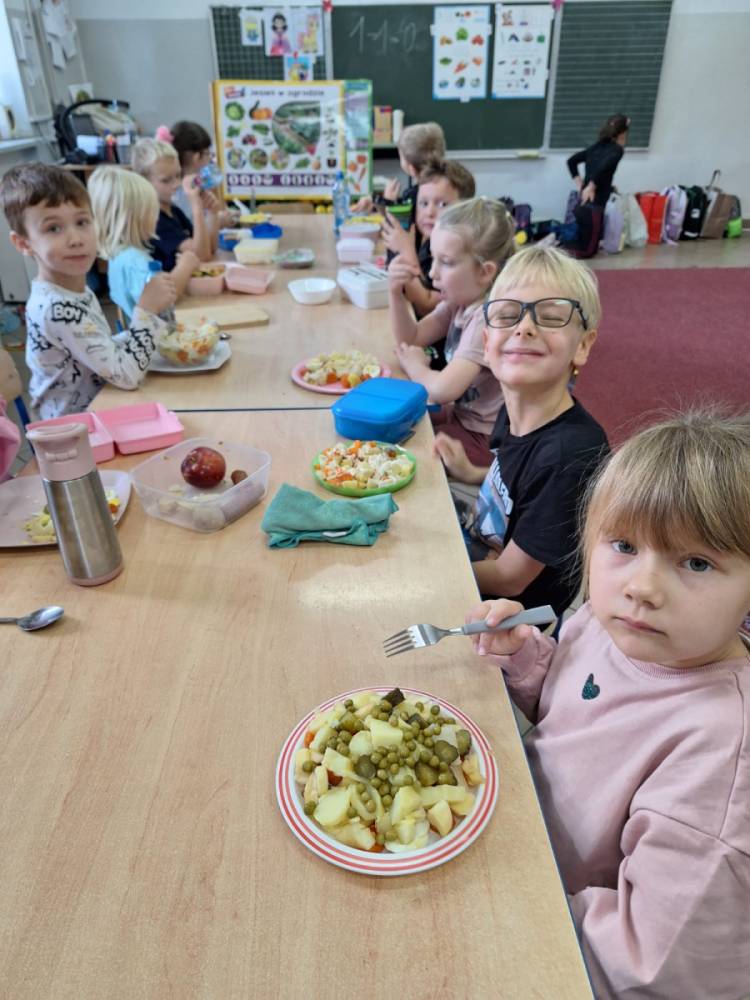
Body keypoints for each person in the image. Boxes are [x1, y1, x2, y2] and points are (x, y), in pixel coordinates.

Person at [468, 408, 750, 999]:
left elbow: (649, 966)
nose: (641, 587)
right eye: (623, 545)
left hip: (542, 918)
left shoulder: (719, 766)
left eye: (696, 562)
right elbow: (575, 707)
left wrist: (503, 898)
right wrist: (526, 660)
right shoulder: (608, 621)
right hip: (512, 828)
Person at [436, 246, 608, 613]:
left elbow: (510, 578)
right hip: (480, 555)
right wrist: (471, 472)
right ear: (487, 344)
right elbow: (520, 481)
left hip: (510, 622)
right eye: (507, 315)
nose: (524, 327)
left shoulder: (570, 457)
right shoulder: (514, 410)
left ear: (582, 346)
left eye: (551, 317)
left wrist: (428, 570)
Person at [0, 163, 175, 419]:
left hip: (100, 410)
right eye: (53, 228)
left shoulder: (73, 290)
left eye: (82, 222)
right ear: (23, 243)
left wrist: (142, 335)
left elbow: (94, 348)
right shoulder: (57, 308)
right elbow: (126, 376)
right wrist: (146, 311)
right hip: (74, 431)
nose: (76, 239)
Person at [389, 197, 514, 467]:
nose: (432, 272)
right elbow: (410, 339)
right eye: (433, 258)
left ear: (485, 272)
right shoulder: (459, 302)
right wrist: (396, 294)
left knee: (404, 451)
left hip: (484, 439)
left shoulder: (488, 318)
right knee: (394, 422)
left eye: (445, 262)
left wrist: (415, 366)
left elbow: (442, 390)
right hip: (462, 418)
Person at [89, 165, 199, 320]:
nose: (156, 217)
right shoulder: (136, 262)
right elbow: (166, 301)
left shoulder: (121, 254)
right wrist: (185, 265)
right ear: (136, 217)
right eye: (152, 210)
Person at [382, 159, 475, 322]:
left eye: (442, 204)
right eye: (423, 203)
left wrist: (406, 252)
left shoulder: (458, 251)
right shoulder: (426, 238)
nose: (429, 212)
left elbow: (426, 306)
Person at [132, 137, 213, 271]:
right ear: (143, 182)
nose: (177, 184)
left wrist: (212, 212)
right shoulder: (153, 219)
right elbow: (202, 256)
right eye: (166, 180)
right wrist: (197, 207)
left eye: (178, 175)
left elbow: (209, 248)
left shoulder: (174, 211)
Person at [565, 113, 630, 259]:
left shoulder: (595, 147)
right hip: (592, 207)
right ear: (622, 133)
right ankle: (557, 256)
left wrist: (581, 184)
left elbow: (571, 161)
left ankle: (563, 252)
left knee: (590, 247)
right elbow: (604, 166)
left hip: (583, 206)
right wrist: (591, 186)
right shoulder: (617, 150)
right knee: (588, 252)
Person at [353, 121, 446, 221]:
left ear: (412, 169)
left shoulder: (416, 196)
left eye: (401, 157)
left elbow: (400, 227)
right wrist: (377, 201)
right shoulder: (447, 186)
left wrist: (389, 203)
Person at [158, 121, 234, 232]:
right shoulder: (182, 193)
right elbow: (191, 230)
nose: (210, 159)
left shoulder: (197, 185)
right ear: (197, 157)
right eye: (208, 154)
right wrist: (217, 221)